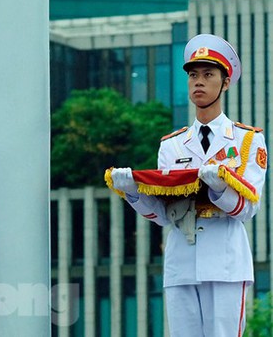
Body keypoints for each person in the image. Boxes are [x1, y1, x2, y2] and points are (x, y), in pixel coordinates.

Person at [110, 34, 267, 337]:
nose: (198, 82)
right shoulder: (172, 145)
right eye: (193, 75)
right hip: (182, 259)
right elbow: (164, 215)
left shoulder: (247, 140)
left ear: (225, 83)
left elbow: (248, 208)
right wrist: (132, 193)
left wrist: (219, 190)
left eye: (208, 75)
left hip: (225, 262)